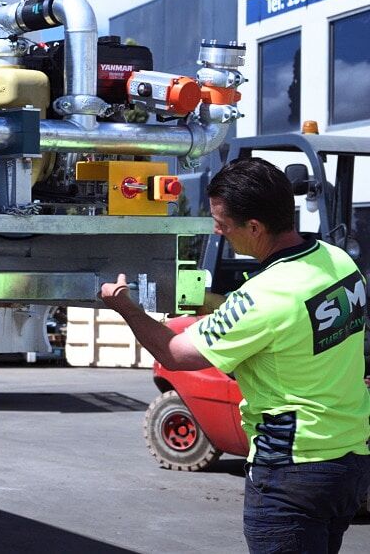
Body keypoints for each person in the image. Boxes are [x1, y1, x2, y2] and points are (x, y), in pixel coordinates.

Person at [101, 157, 370, 553]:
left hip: (292, 471)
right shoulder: (339, 261)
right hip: (349, 459)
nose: (218, 231)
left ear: (256, 227)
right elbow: (291, 324)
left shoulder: (263, 297)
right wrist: (223, 309)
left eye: (223, 225)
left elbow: (175, 354)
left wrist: (125, 306)